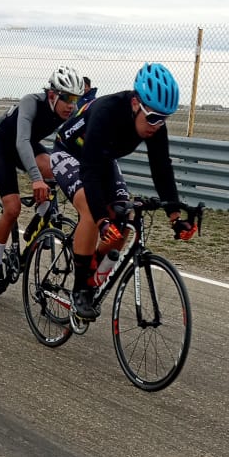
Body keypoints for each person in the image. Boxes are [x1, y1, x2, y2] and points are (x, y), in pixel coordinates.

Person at [50, 62, 196, 321]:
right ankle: (80, 289)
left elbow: (161, 168)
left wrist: (175, 216)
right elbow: (90, 171)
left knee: (125, 218)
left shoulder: (155, 123)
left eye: (163, 120)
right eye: (152, 118)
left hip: (102, 158)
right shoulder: (106, 111)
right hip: (71, 153)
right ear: (134, 104)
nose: (156, 125)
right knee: (90, 210)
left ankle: (93, 267)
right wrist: (101, 219)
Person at [0, 66, 84, 291]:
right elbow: (21, 142)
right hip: (5, 147)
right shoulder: (31, 102)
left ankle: (39, 221)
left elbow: (74, 145)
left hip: (29, 145)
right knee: (12, 209)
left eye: (75, 98)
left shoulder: (71, 110)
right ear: (52, 95)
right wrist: (36, 178)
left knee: (56, 169)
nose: (71, 104)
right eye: (67, 98)